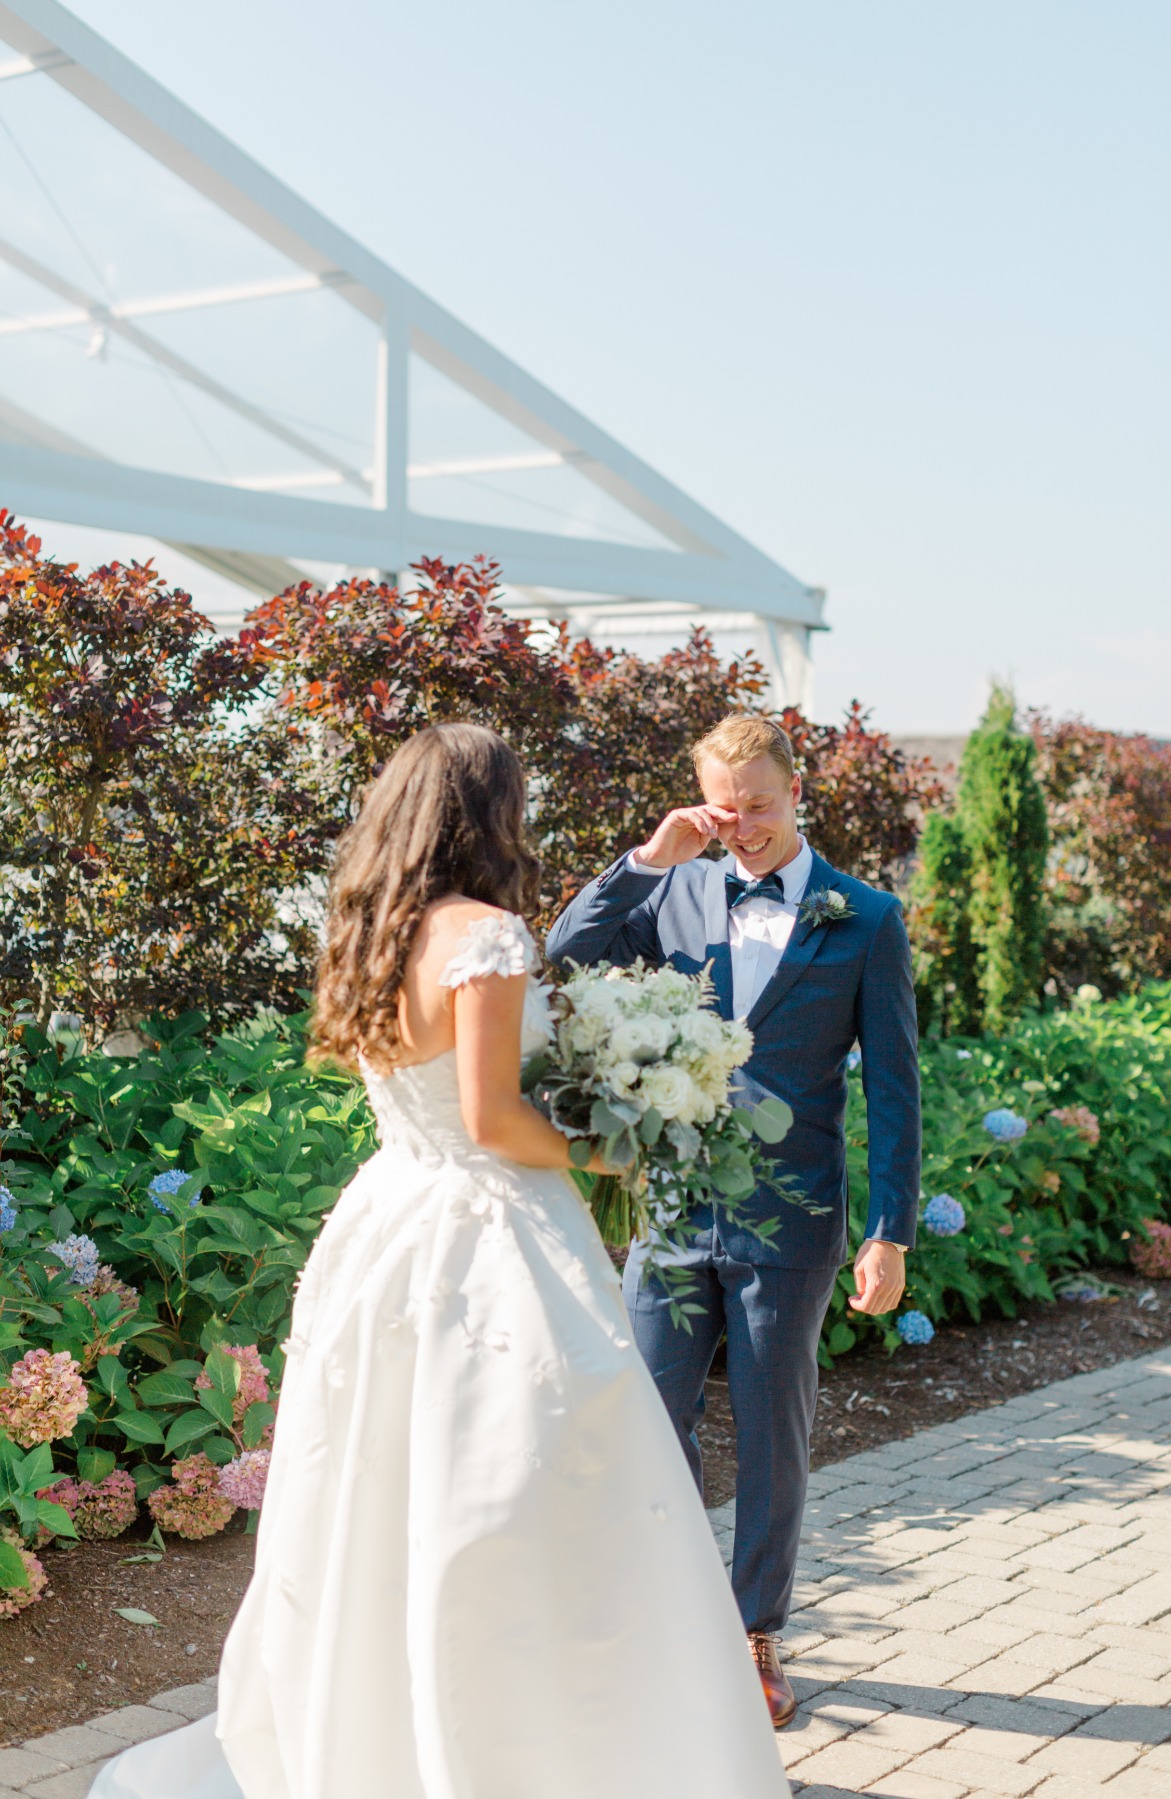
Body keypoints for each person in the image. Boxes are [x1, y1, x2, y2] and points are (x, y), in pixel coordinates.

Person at [89, 722, 788, 1799]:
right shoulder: (489, 934)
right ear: (491, 811)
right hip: (492, 1232)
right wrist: (616, 1144)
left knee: (383, 1487)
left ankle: (379, 1732)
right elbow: (495, 1117)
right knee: (522, 1485)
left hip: (388, 1222)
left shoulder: (374, 931)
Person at [547, 713, 920, 1728]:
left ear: (795, 792)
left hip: (791, 1221)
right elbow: (559, 953)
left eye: (760, 802)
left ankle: (756, 1630)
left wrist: (891, 1229)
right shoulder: (673, 889)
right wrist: (644, 858)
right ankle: (659, 1619)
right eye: (726, 805)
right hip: (671, 1209)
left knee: (771, 1429)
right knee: (648, 1421)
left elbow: (895, 1087)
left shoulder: (866, 917)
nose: (744, 823)